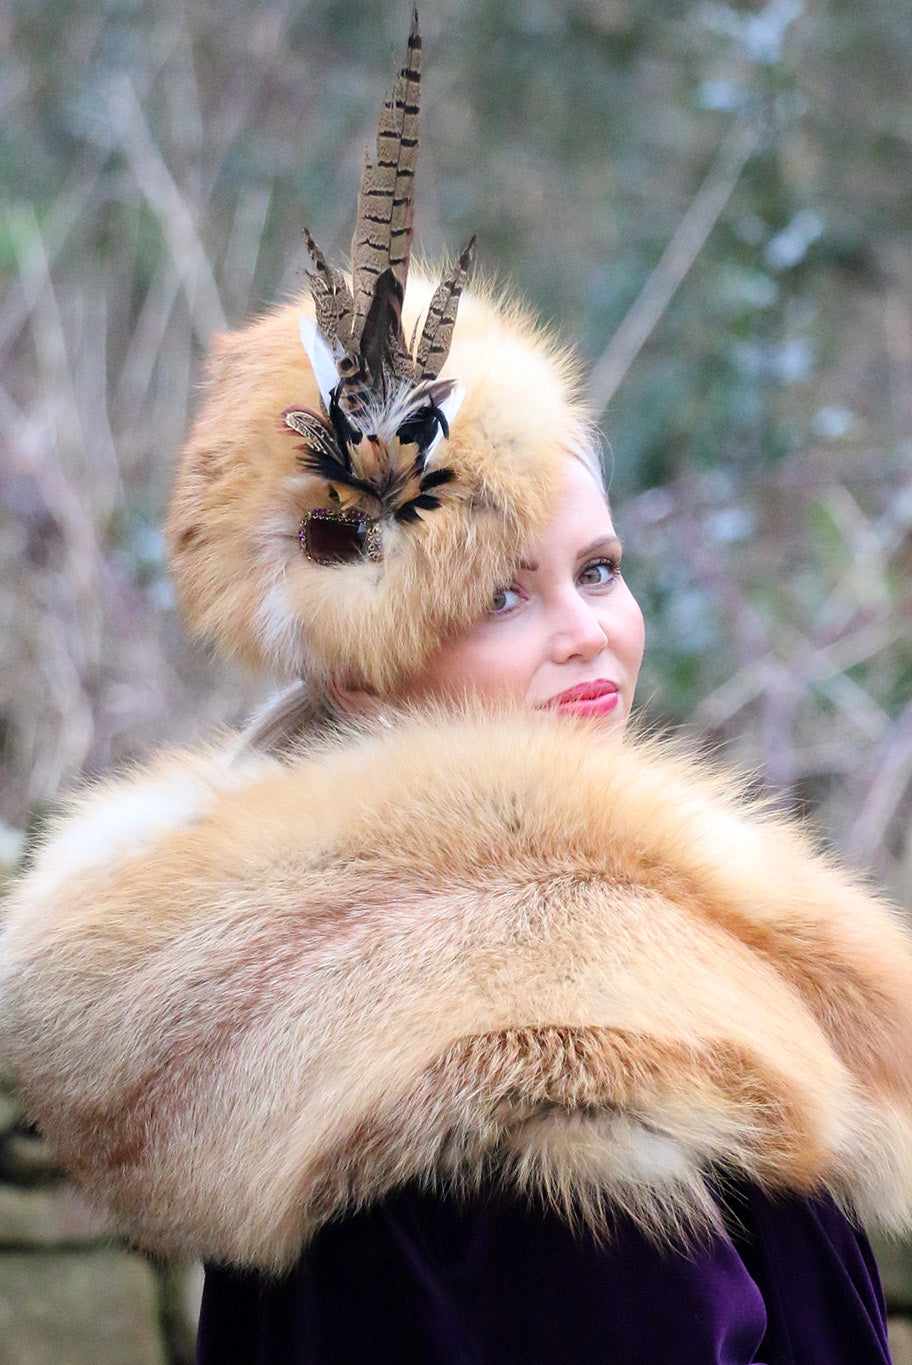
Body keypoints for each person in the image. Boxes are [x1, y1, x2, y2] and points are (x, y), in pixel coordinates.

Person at [2, 16, 912, 1364]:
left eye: (600, 570)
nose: (588, 634)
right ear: (362, 665)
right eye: (500, 595)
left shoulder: (320, 1008)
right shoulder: (522, 1065)